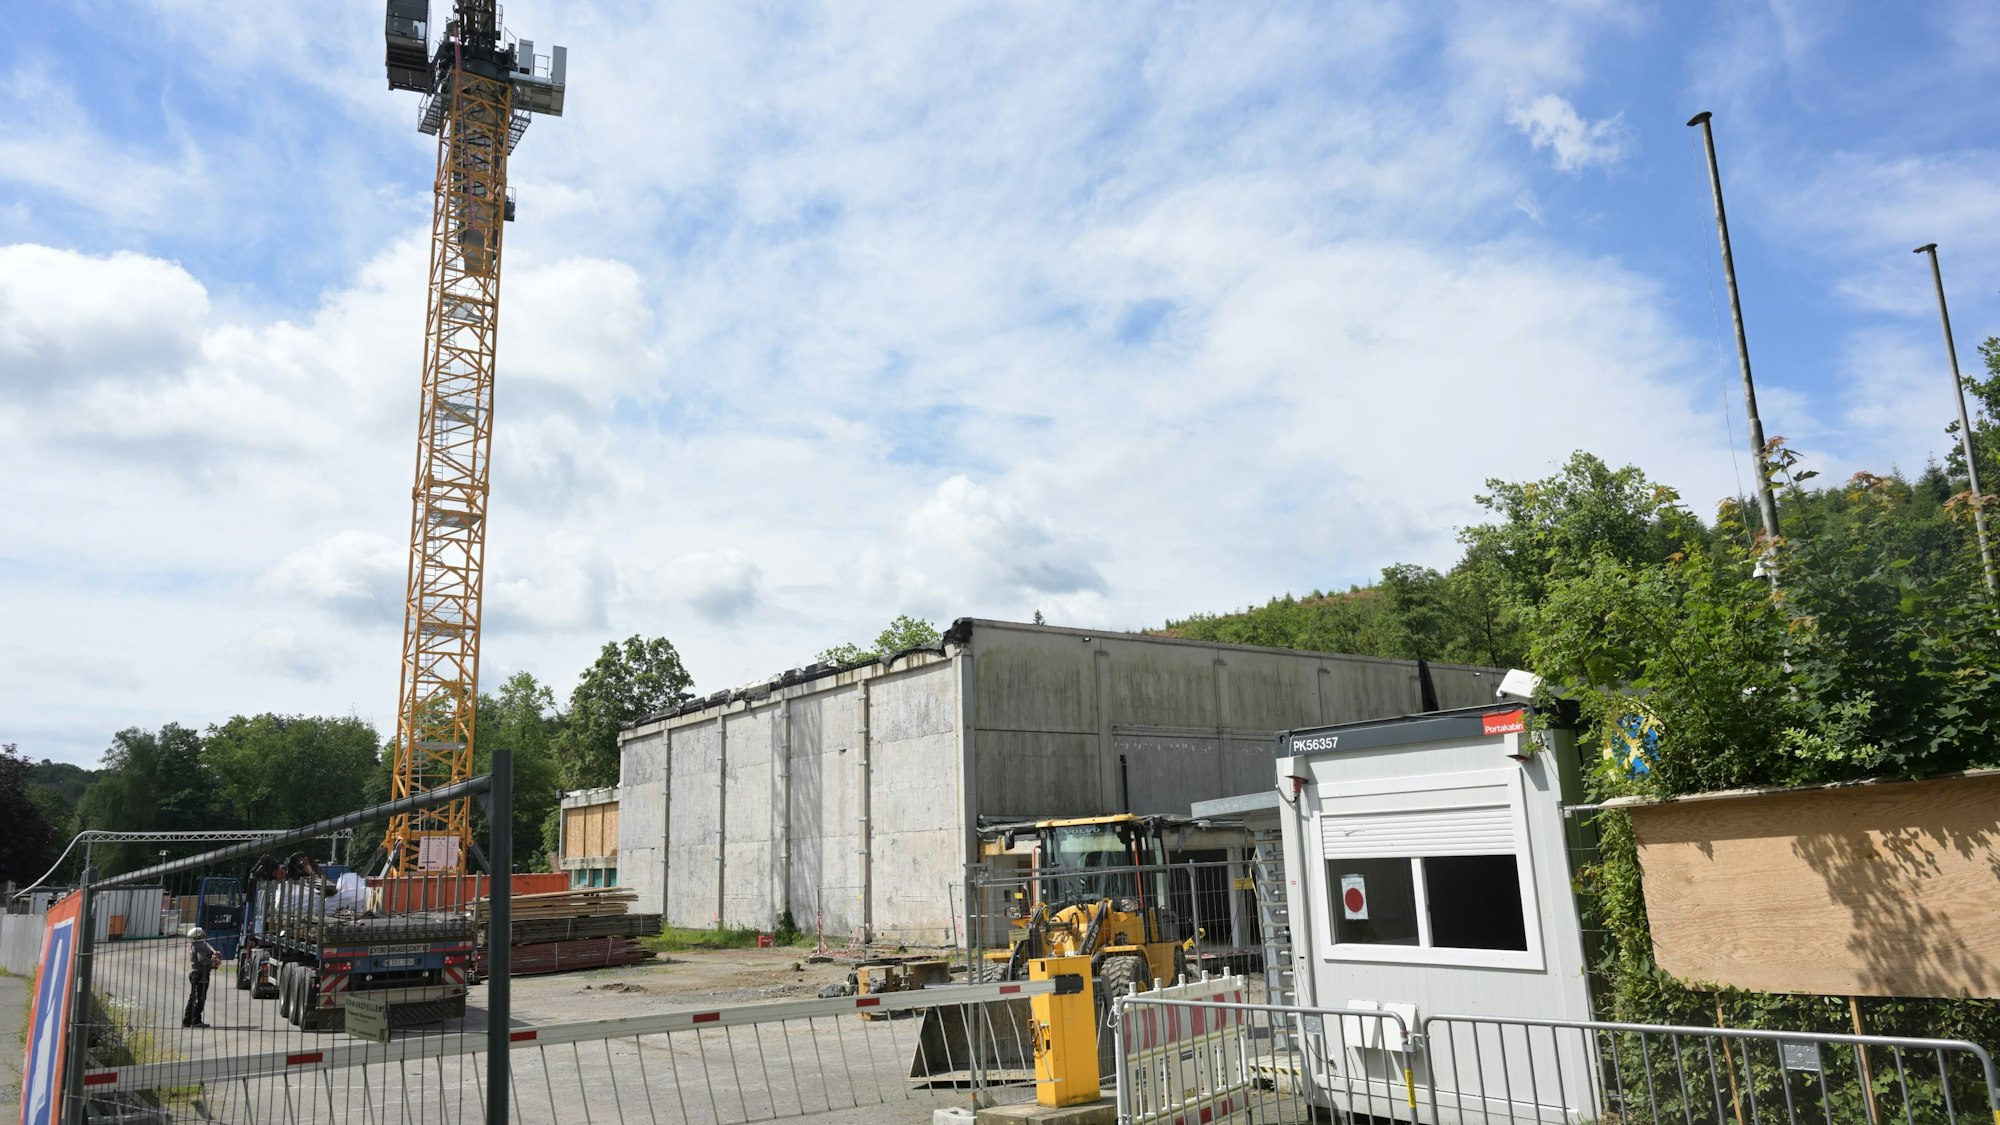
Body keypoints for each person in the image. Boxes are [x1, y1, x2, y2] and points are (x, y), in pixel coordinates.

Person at [183, 927, 221, 1028]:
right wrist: (213, 962)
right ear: (199, 935)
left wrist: (213, 954)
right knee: (200, 998)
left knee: (193, 997)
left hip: (195, 973)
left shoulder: (195, 944)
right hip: (201, 975)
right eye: (202, 933)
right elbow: (202, 959)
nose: (204, 934)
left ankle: (187, 1020)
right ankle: (196, 1021)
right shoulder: (200, 945)